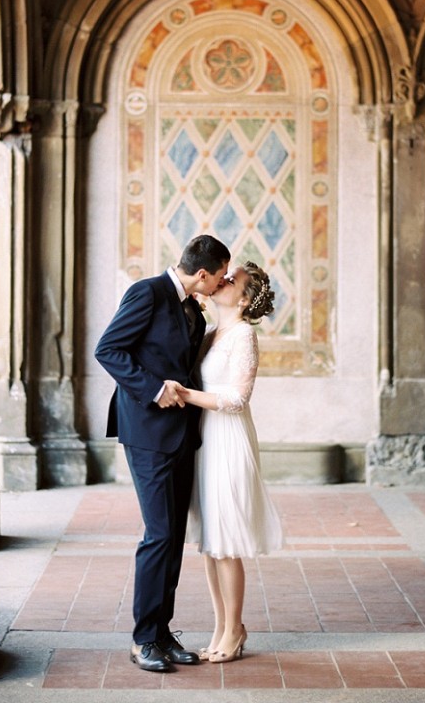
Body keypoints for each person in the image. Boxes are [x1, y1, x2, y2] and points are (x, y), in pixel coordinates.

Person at [94, 234, 231, 673]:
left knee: (172, 536)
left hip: (181, 435)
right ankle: (142, 639)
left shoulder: (192, 305)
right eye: (221, 276)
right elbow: (108, 349)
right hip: (148, 433)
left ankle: (161, 632)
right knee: (158, 534)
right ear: (203, 273)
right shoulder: (147, 293)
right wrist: (154, 389)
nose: (223, 283)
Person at [176, 261, 284, 664]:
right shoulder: (209, 334)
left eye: (231, 279)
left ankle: (235, 628)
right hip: (206, 439)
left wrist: (185, 395)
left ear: (244, 297)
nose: (222, 280)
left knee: (227, 541)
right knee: (209, 541)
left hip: (229, 439)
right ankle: (219, 626)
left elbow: (238, 398)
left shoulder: (244, 335)